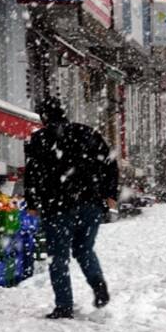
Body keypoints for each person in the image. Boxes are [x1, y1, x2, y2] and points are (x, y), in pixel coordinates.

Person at [24, 97, 118, 319]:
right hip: (90, 204)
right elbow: (109, 162)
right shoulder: (88, 133)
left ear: (44, 117)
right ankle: (98, 284)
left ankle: (64, 305)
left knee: (58, 257)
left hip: (56, 206)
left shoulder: (40, 139)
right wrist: (109, 193)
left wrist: (32, 203)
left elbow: (33, 173)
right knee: (84, 248)